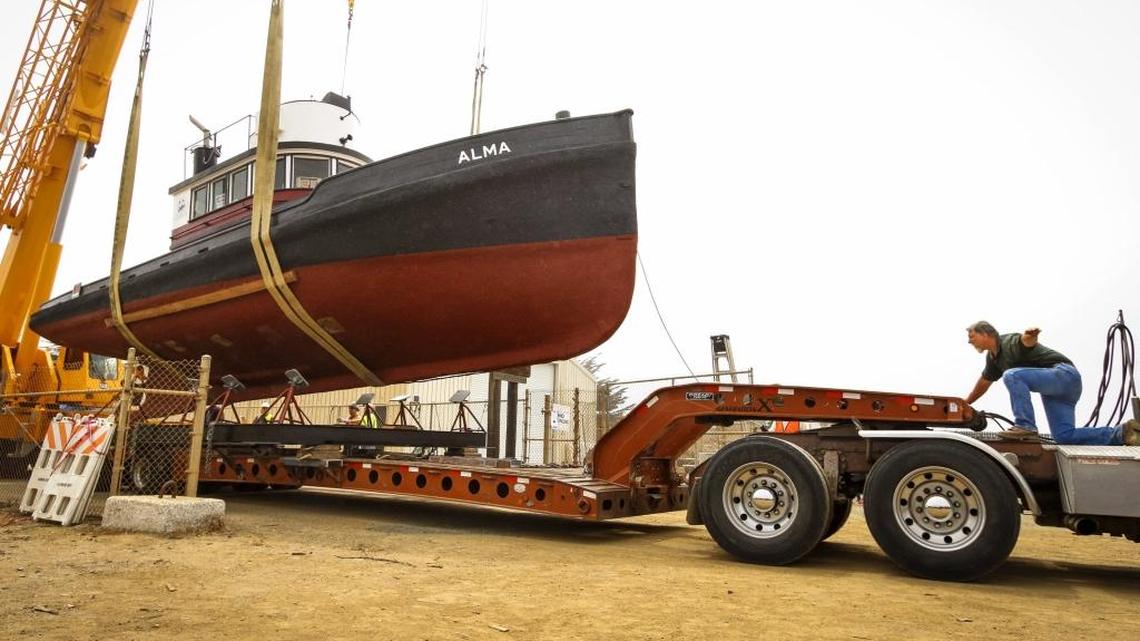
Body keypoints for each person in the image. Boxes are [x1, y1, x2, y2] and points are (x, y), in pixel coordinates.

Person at [964, 321, 1139, 445]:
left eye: (972, 336)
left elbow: (1025, 342)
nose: (969, 341)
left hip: (1064, 375)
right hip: (1057, 391)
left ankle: (1025, 426)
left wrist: (1031, 336)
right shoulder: (993, 358)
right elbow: (984, 382)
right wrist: (965, 403)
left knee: (1012, 375)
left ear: (985, 334)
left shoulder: (1008, 342)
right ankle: (1124, 433)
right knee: (1064, 436)